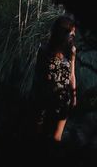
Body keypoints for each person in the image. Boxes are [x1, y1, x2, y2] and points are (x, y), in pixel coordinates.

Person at [31, 14, 77, 142]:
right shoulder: (45, 50)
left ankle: (50, 158)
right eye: (71, 32)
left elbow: (72, 75)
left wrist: (74, 96)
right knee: (38, 133)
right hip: (44, 97)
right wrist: (35, 95)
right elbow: (37, 75)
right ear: (62, 32)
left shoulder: (71, 51)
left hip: (62, 99)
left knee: (56, 137)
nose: (73, 36)